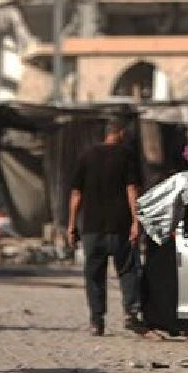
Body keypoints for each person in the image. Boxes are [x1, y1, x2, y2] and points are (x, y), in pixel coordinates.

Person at [66, 117, 144, 336]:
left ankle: (96, 321)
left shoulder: (86, 156)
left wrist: (72, 225)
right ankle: (130, 313)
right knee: (128, 271)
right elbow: (132, 190)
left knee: (94, 276)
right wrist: (136, 222)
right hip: (120, 226)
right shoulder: (126, 155)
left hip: (92, 228)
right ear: (119, 133)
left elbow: (76, 194)